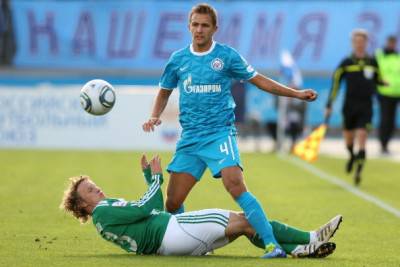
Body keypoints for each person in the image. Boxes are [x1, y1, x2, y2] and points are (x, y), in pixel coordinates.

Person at [142, 3, 317, 258]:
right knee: (172, 202)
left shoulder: (226, 56)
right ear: (189, 26)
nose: (199, 30)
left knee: (235, 184)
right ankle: (191, 242)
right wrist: (154, 116)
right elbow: (164, 91)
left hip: (219, 134)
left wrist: (296, 94)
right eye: (195, 24)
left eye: (204, 25)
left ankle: (272, 245)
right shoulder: (178, 59)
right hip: (191, 139)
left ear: (215, 28)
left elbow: (259, 80)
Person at [60, 155, 342, 258]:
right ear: (82, 203)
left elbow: (143, 210)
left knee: (244, 227)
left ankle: (301, 249)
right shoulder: (103, 212)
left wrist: (148, 179)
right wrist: (157, 178)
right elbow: (151, 207)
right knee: (245, 220)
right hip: (172, 233)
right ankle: (310, 238)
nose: (96, 188)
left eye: (93, 184)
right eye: (89, 189)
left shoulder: (104, 213)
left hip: (170, 241)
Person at [325, 29, 385, 186]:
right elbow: (336, 83)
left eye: (362, 41)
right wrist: (329, 104)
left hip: (366, 105)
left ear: (366, 43)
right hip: (349, 105)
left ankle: (359, 169)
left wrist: (382, 83)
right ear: (353, 43)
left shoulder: (372, 62)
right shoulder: (346, 62)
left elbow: (377, 79)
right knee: (349, 140)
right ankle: (352, 155)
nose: (359, 44)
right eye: (357, 41)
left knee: (362, 135)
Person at [375, 35, 400, 155]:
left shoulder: (398, 57)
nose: (392, 45)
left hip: (397, 92)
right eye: (390, 42)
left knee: (392, 121)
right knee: (385, 120)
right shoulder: (379, 56)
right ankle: (383, 144)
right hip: (384, 92)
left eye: (394, 43)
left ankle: (387, 143)